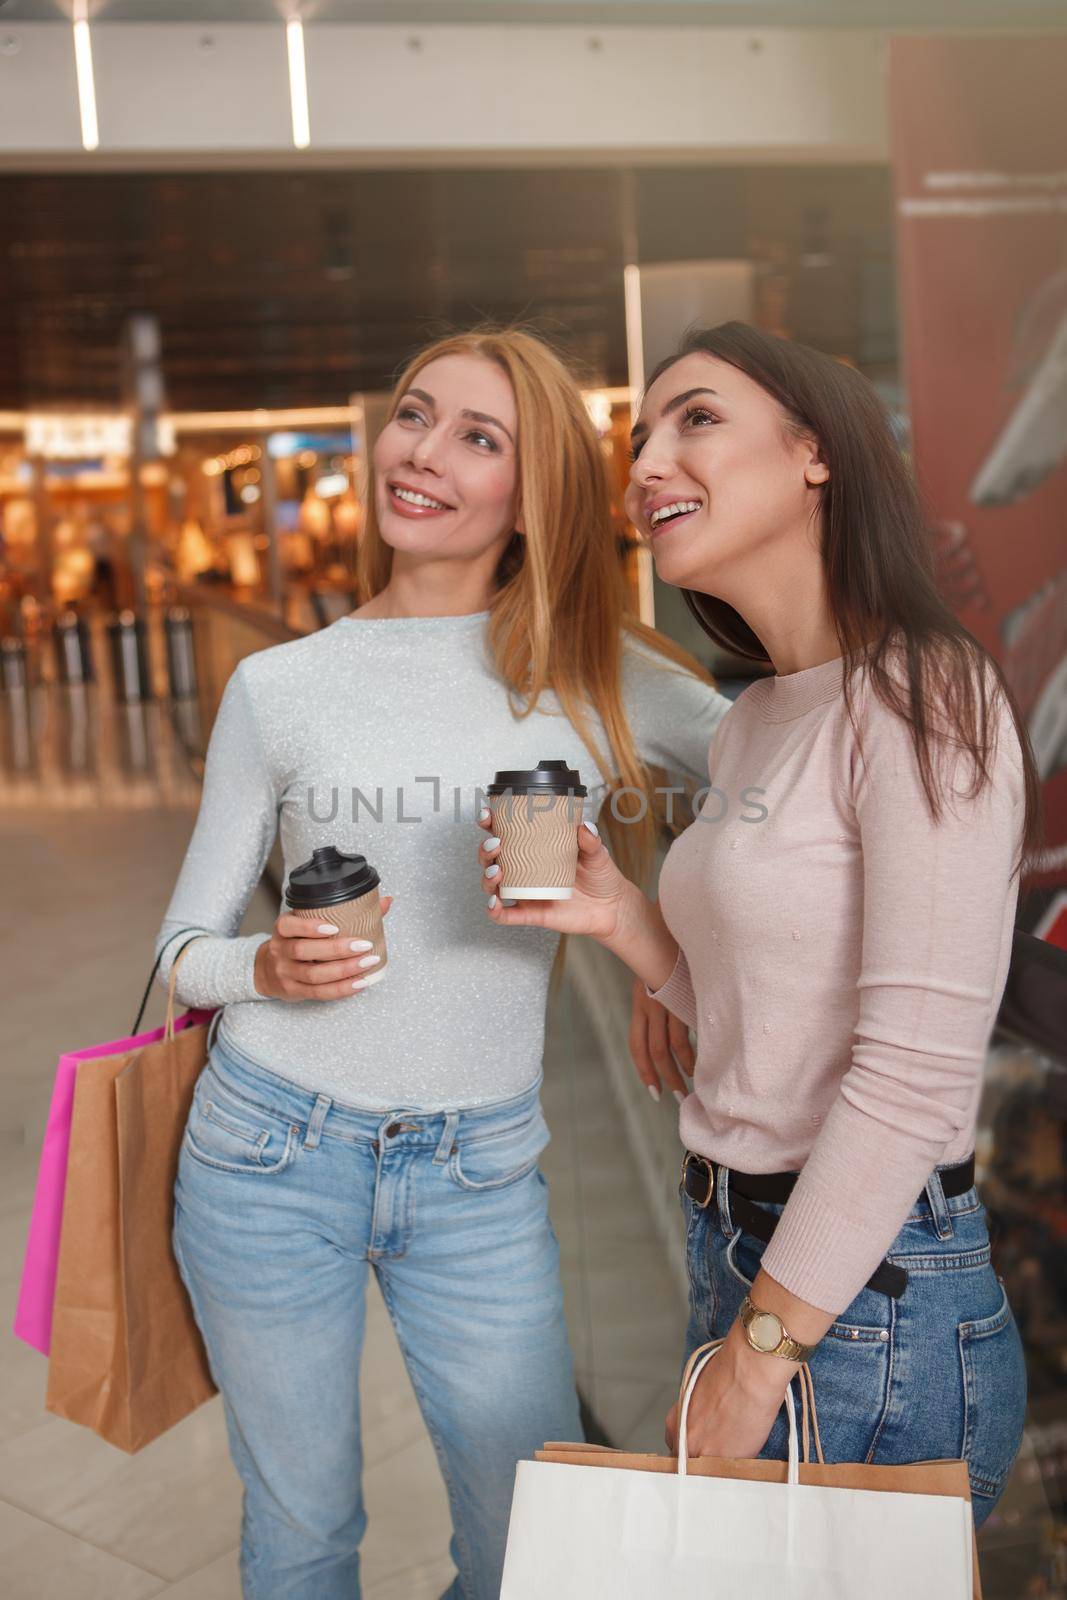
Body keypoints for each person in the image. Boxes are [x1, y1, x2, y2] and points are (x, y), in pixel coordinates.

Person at [155, 326, 730, 1600]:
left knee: (527, 1543)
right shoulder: (278, 684)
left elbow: (784, 780)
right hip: (267, 1154)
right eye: (415, 415)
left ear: (531, 501)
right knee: (302, 1535)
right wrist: (266, 965)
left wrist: (653, 939)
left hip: (476, 1173)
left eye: (479, 438)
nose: (421, 453)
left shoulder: (593, 674)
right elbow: (183, 949)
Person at [478, 321, 1042, 1527]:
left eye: (695, 418)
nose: (645, 464)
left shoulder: (924, 694)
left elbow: (905, 1077)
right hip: (744, 1256)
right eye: (637, 440)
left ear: (812, 453)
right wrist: (622, 919)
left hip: (864, 1301)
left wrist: (756, 1356)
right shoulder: (757, 715)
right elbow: (777, 1023)